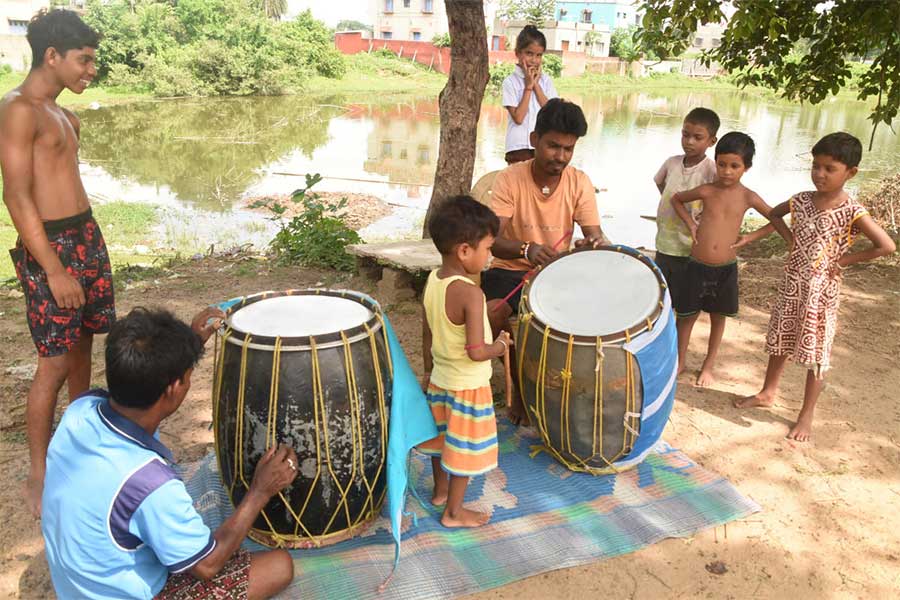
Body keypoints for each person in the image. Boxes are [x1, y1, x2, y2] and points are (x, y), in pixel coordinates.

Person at [41, 306, 297, 599]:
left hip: (77, 587)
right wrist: (260, 492)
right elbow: (207, 566)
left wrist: (187, 348)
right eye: (186, 376)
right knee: (278, 566)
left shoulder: (82, 409)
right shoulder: (150, 484)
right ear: (174, 387)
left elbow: (147, 399)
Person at [0, 9, 113, 517]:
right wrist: (53, 268)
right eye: (84, 59)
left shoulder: (67, 115)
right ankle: (41, 471)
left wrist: (81, 253)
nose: (91, 69)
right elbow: (17, 196)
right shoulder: (18, 109)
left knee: (84, 345)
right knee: (53, 359)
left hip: (85, 235)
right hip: (53, 250)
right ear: (52, 56)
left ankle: (80, 439)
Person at [734, 132, 895, 441]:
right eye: (816, 166)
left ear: (851, 173)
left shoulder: (853, 211)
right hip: (792, 283)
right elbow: (773, 213)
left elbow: (885, 245)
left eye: (829, 168)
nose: (819, 174)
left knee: (816, 354)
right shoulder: (802, 199)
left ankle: (806, 414)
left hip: (821, 295)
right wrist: (788, 238)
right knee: (780, 339)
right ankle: (767, 392)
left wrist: (843, 261)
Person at [483, 97, 608, 424]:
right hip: (510, 271)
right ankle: (522, 386)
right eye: (553, 146)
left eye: (569, 149)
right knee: (493, 312)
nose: (561, 157)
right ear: (535, 140)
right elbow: (491, 240)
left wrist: (591, 244)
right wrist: (526, 250)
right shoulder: (510, 178)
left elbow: (597, 235)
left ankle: (568, 387)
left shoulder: (579, 181)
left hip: (557, 274)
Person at [670, 132, 791, 387]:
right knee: (687, 316)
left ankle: (708, 366)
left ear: (746, 167)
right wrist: (690, 223)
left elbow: (775, 218)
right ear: (715, 162)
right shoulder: (706, 190)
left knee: (718, 317)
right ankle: (680, 361)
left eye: (734, 166)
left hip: (725, 268)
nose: (726, 171)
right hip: (696, 264)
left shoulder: (748, 196)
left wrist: (750, 238)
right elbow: (676, 199)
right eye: (721, 164)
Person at [419, 196, 511, 528]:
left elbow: (430, 329)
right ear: (464, 251)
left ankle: (440, 492)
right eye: (487, 249)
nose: (489, 256)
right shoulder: (472, 293)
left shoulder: (433, 280)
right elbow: (476, 351)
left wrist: (429, 371)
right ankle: (454, 512)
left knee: (442, 438)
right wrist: (499, 346)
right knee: (464, 450)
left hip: (441, 380)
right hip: (468, 389)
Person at [653, 108, 720, 315]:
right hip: (665, 241)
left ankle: (678, 338)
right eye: (685, 134)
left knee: (683, 301)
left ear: (711, 141)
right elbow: (660, 184)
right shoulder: (671, 162)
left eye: (697, 137)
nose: (689, 141)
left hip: (689, 246)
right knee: (661, 296)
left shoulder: (711, 170)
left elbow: (717, 200)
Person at [502, 25, 558, 164]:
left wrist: (536, 85)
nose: (534, 60)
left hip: (541, 147)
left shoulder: (546, 81)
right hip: (517, 148)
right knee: (517, 185)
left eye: (538, 55)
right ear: (518, 53)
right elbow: (519, 118)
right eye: (529, 53)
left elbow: (551, 112)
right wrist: (528, 87)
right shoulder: (510, 82)